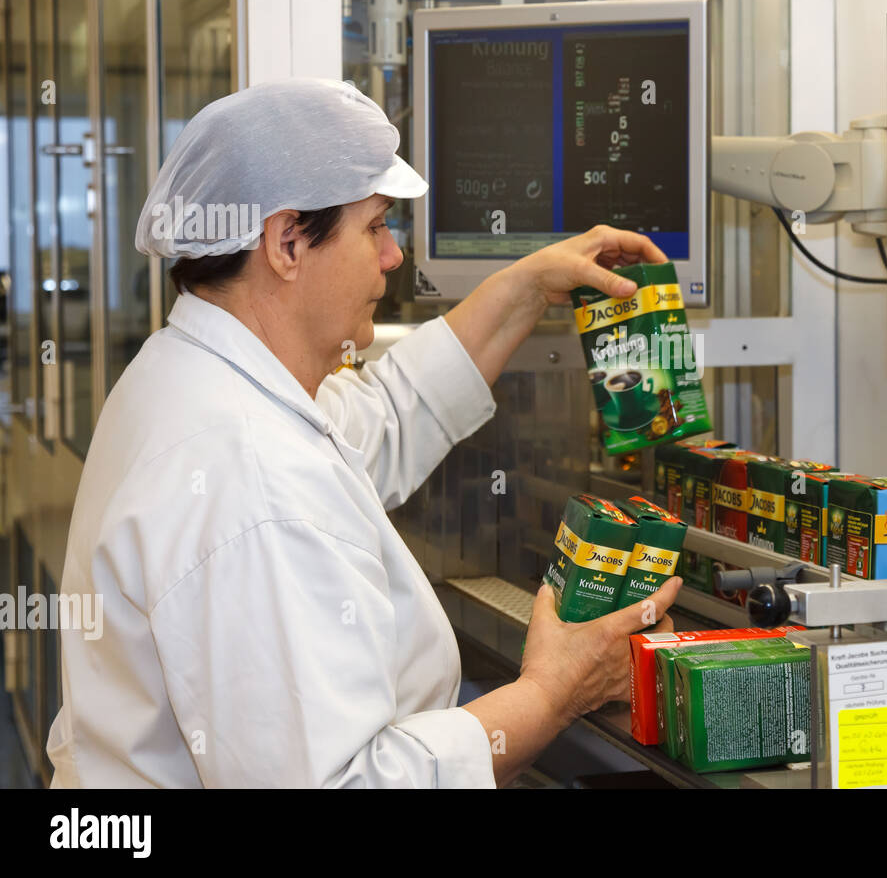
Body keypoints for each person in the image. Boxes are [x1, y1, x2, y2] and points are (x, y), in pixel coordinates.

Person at [46, 77, 682, 787]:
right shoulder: (247, 475)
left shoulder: (197, 373)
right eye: (376, 226)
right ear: (287, 242)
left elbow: (382, 413)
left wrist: (527, 287)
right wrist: (553, 692)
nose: (393, 255)